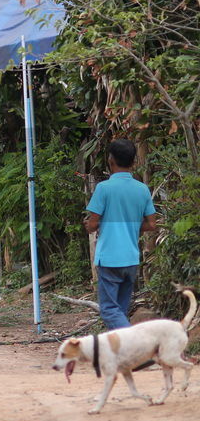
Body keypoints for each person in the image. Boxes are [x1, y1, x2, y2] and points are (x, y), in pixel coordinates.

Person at [84, 138, 157, 330]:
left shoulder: (103, 188)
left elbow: (92, 224)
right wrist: (131, 226)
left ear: (110, 160)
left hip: (109, 259)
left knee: (109, 310)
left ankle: (135, 343)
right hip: (131, 258)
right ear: (134, 162)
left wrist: (91, 225)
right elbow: (152, 224)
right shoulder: (142, 189)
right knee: (120, 310)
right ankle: (122, 356)